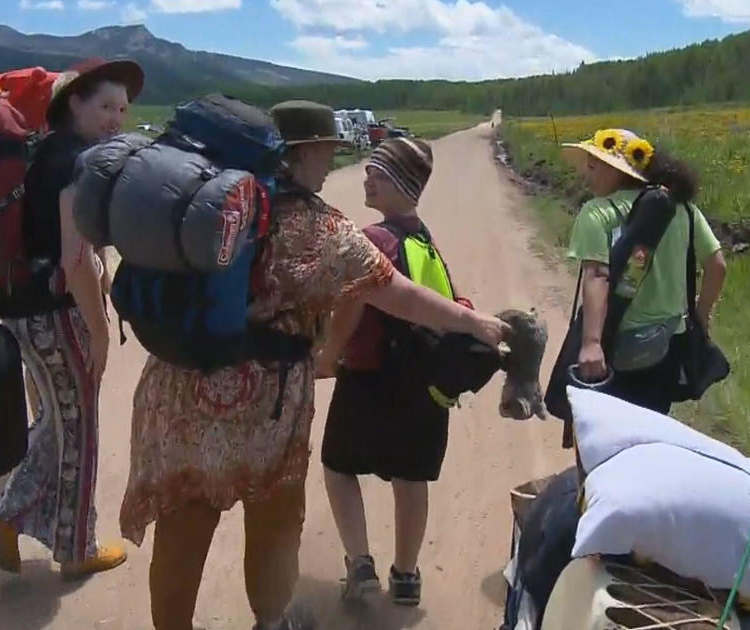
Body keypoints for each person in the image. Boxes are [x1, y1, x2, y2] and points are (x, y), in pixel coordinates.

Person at [118, 101, 510, 630]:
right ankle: (272, 621)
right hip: (264, 404)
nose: (332, 164)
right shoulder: (314, 224)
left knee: (183, 525)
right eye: (329, 151)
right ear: (305, 151)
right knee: (273, 520)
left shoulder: (198, 207)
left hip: (178, 388)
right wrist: (474, 323)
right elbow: (395, 293)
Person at [0, 57, 144, 578]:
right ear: (74, 103)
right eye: (105, 106)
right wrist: (97, 330)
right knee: (80, 430)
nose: (116, 118)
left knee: (57, 419)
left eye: (122, 108)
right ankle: (76, 548)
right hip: (56, 314)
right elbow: (77, 259)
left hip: (25, 309)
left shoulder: (49, 151)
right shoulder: (78, 164)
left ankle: (9, 519)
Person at [316, 138, 464, 606]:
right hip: (422, 381)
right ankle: (406, 576)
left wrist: (329, 353)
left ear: (402, 182)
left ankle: (360, 565)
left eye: (377, 173)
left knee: (338, 466)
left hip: (370, 375)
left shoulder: (374, 239)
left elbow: (349, 307)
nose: (367, 178)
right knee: (410, 477)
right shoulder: (424, 239)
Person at [562, 128, 727, 414]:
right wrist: (701, 315)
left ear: (617, 171)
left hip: (616, 346)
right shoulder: (683, 208)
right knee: (650, 429)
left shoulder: (597, 212)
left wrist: (590, 343)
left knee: (603, 435)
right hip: (669, 347)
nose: (586, 173)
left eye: (593, 164)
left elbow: (597, 276)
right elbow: (717, 266)